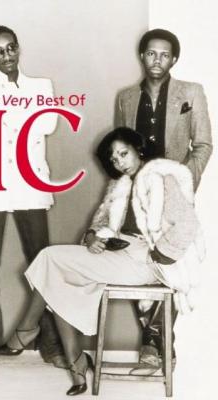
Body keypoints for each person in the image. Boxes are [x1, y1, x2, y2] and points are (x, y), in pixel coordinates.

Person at [3, 127, 204, 396]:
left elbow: (188, 224)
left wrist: (160, 254)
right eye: (114, 158)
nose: (119, 162)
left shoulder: (162, 178)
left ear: (138, 149)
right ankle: (75, 363)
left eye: (124, 153)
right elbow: (99, 222)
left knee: (51, 260)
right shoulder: (119, 184)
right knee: (55, 272)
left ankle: (28, 331)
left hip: (143, 260)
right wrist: (90, 238)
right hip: (116, 252)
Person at [0, 25, 65, 371]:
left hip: (30, 181)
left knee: (43, 264)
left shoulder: (41, 86)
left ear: (18, 48)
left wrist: (5, 117)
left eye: (10, 48)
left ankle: (51, 343)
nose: (5, 55)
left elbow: (47, 125)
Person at [115, 28, 212, 371]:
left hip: (172, 195)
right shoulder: (127, 97)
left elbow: (203, 145)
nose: (157, 60)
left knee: (170, 262)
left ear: (174, 59)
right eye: (151, 53)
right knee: (139, 259)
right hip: (137, 194)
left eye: (165, 54)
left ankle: (152, 345)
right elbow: (120, 148)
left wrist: (182, 181)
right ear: (142, 56)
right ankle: (158, 345)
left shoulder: (191, 92)